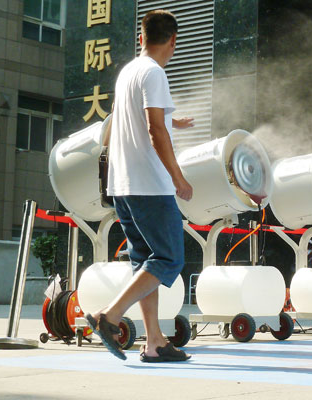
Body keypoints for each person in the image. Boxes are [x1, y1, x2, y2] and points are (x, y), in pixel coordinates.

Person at [86, 10, 193, 362]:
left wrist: (171, 118)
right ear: (173, 41)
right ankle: (110, 316)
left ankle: (154, 342)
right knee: (169, 258)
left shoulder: (129, 71)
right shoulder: (155, 72)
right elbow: (153, 129)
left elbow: (134, 117)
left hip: (123, 183)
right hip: (150, 184)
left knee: (146, 260)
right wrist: (178, 177)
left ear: (142, 38)